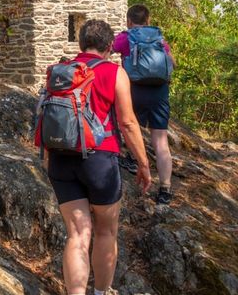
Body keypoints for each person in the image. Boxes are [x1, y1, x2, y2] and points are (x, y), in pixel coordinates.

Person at [44, 19, 151, 295]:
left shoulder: (60, 72)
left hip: (60, 158)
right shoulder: (114, 73)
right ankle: (101, 292)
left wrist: (47, 158)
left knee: (77, 234)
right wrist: (143, 164)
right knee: (105, 232)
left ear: (81, 44)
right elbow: (127, 123)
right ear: (108, 47)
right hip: (99, 160)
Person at [112, 4, 175, 205]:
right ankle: (165, 189)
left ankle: (132, 158)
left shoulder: (126, 37)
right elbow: (172, 64)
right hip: (159, 91)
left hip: (135, 89)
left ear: (129, 21)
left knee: (131, 125)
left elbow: (106, 48)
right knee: (161, 141)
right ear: (148, 20)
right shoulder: (159, 39)